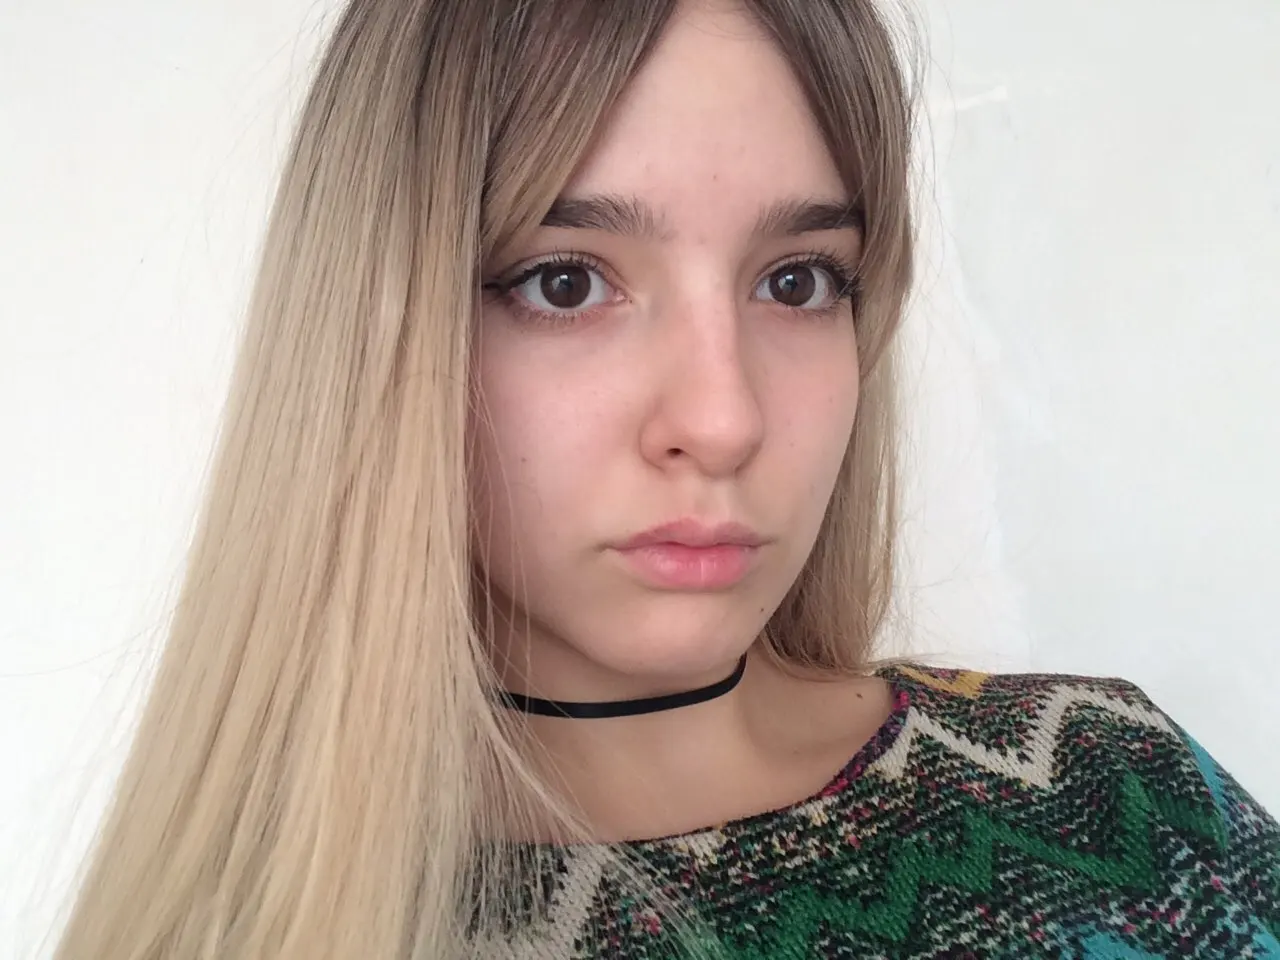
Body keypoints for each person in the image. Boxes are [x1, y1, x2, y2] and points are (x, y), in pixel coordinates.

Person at [48, 0, 1280, 957]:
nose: (724, 419)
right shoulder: (251, 932)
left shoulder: (1113, 789)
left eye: (795, 281)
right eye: (566, 281)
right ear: (377, 330)